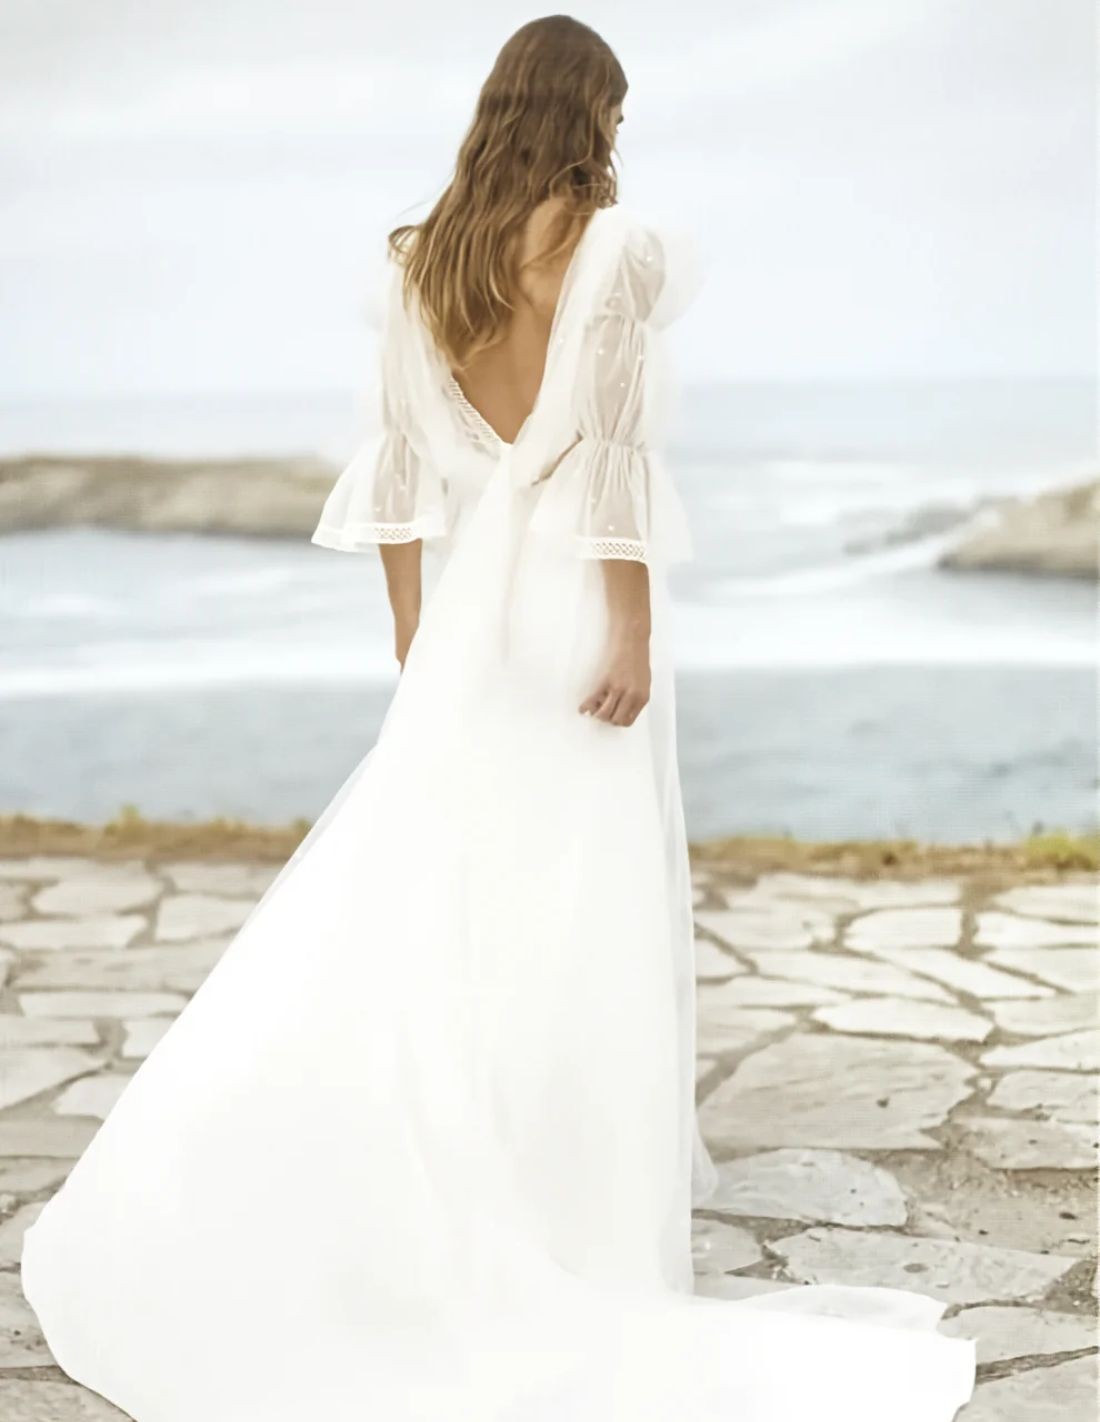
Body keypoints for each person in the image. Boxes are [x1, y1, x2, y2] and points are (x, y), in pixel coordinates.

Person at [21, 16, 976, 1420]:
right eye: (617, 115)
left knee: (457, 888)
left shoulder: (421, 262)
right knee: (581, 892)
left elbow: (399, 470)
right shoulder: (613, 248)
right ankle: (560, 1200)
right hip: (578, 599)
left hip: (475, 611)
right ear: (588, 113)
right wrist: (633, 627)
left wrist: (415, 633)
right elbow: (616, 454)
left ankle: (463, 1172)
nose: (620, 140)